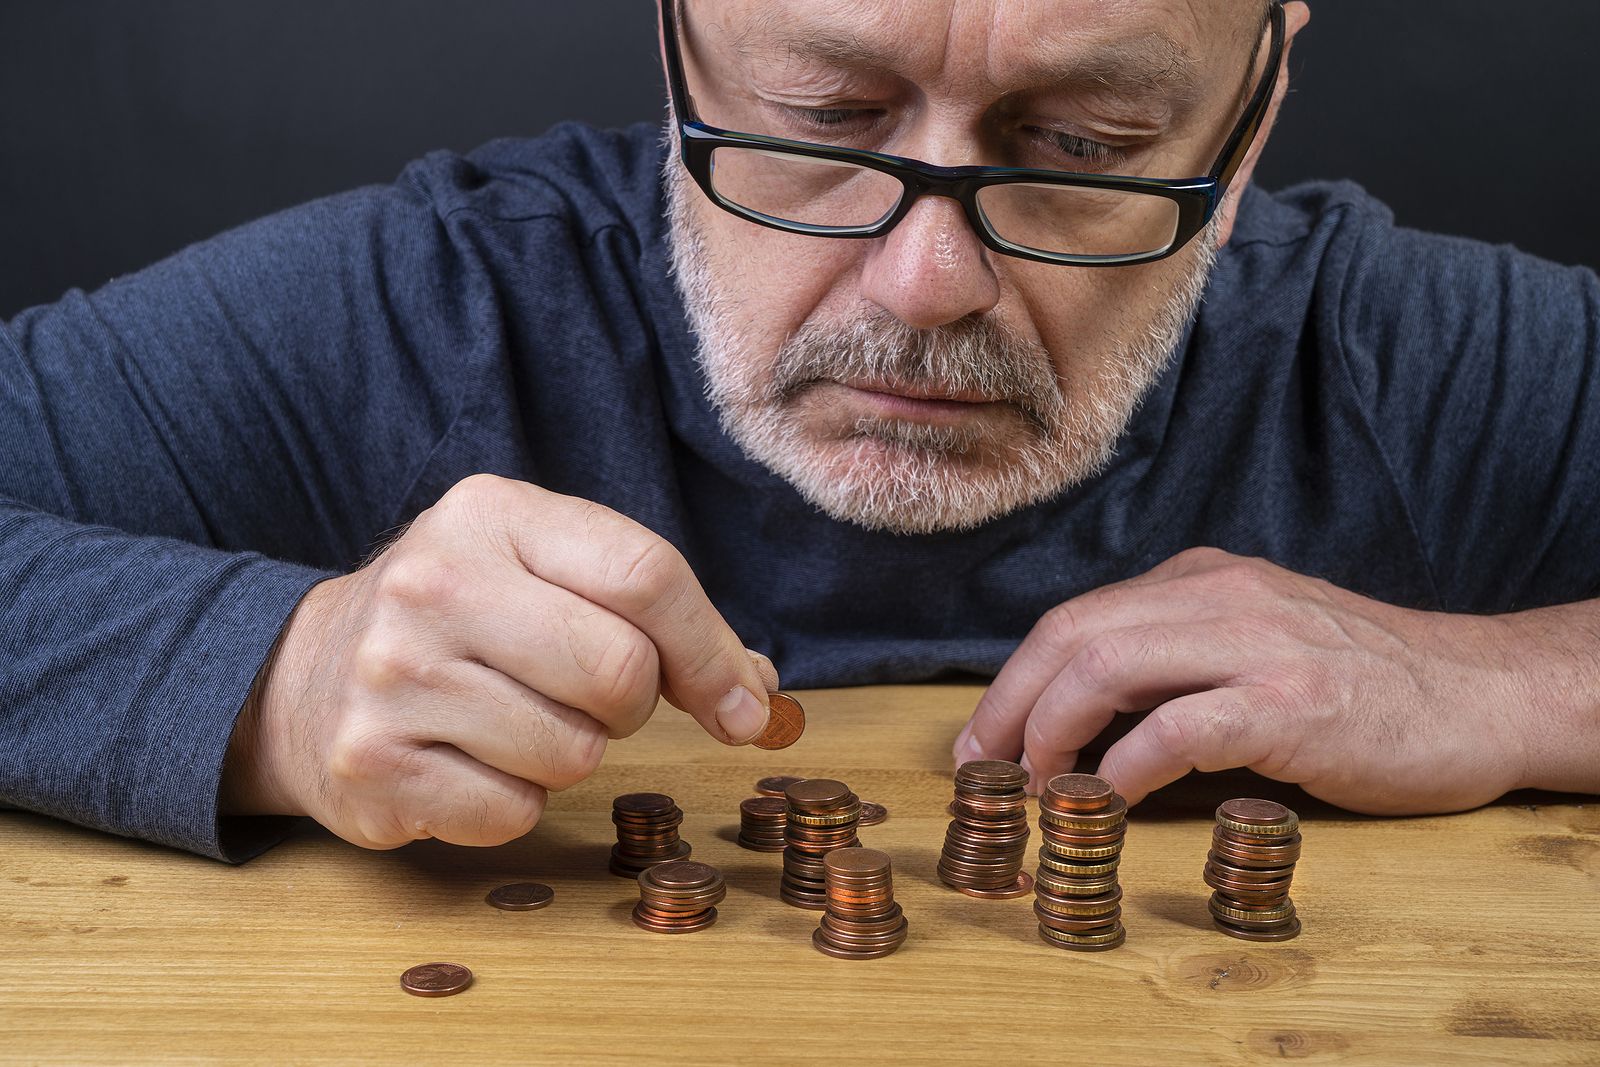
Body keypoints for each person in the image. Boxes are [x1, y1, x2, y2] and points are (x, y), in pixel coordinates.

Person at [2, 0, 1596, 864]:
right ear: (675, 45)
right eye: (824, 117)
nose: (928, 282)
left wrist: (1509, 686)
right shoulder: (414, 302)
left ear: (1250, 118)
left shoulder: (1415, 359)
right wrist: (276, 681)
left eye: (1086, 145)